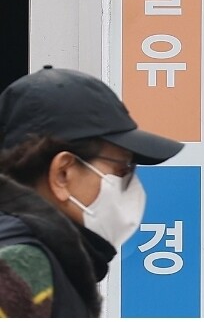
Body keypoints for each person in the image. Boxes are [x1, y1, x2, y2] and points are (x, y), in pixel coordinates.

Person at [0, 66, 184, 317]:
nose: (131, 185)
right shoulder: (23, 261)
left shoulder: (47, 255)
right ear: (63, 173)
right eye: (122, 170)